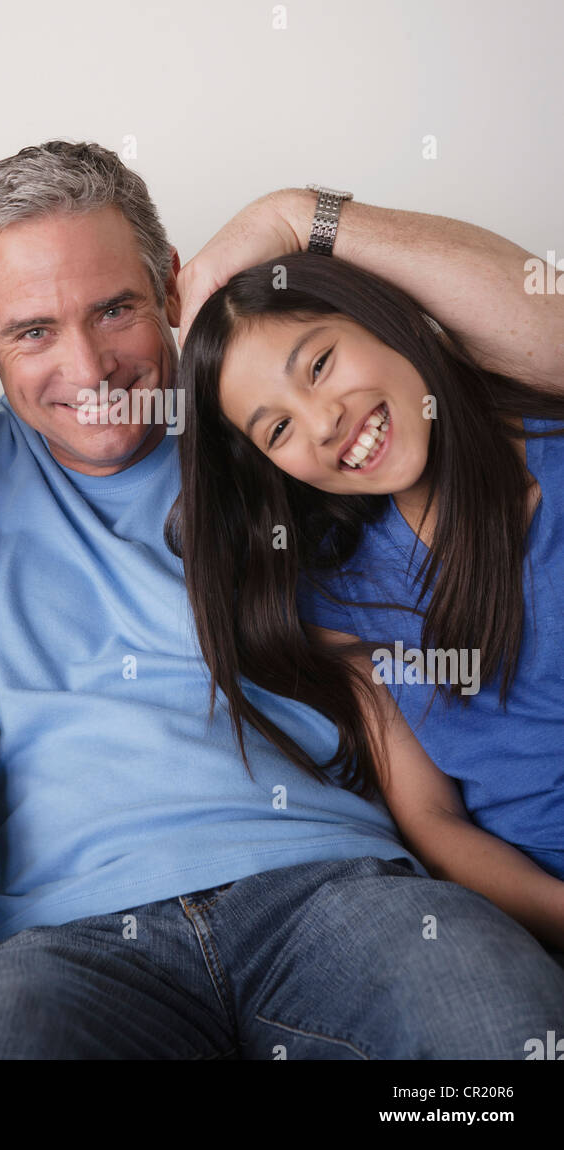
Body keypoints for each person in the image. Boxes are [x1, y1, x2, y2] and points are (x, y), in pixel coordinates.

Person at [0, 141, 564, 1060]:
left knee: (506, 1039)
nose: (90, 365)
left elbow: (546, 340)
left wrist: (298, 213)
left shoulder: (274, 431)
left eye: (115, 309)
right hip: (63, 943)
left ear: (171, 295)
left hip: (334, 891)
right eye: (33, 330)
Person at [169, 249, 564, 958]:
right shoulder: (338, 593)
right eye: (278, 430)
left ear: (382, 321)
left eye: (319, 365)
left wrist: (301, 211)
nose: (322, 423)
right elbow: (435, 822)